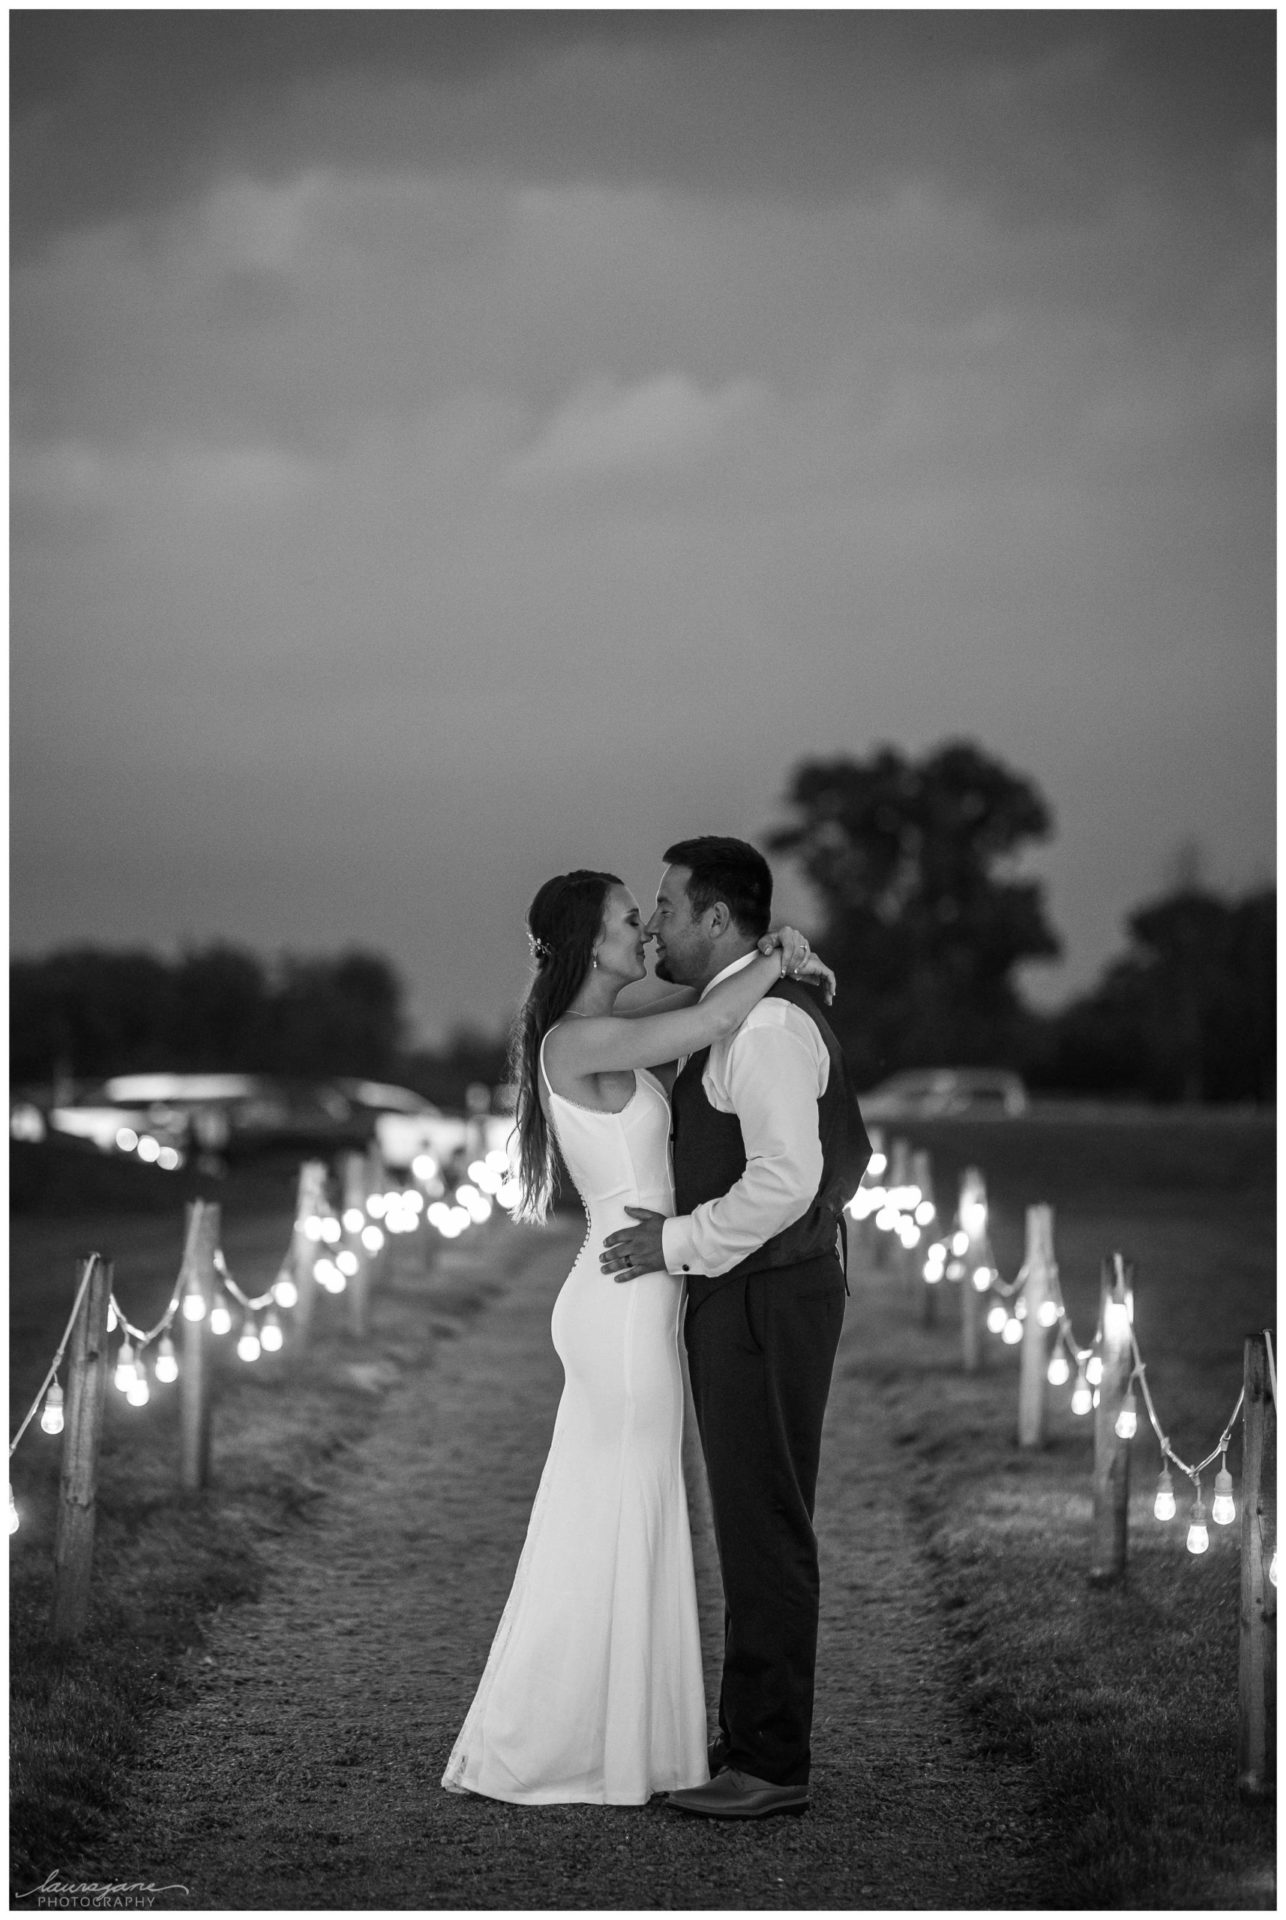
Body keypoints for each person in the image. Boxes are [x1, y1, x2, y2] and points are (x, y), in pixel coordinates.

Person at [441, 867, 836, 1807]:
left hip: (646, 1291)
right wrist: (777, 952)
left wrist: (775, 954)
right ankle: (575, 1742)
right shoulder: (579, 1038)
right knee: (616, 1513)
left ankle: (639, 1740)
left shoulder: (616, 1010)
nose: (647, 933)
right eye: (631, 920)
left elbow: (709, 989)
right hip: (621, 1302)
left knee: (636, 1508)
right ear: (587, 940)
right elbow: (710, 1018)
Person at [600, 837, 870, 1819]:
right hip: (756, 1289)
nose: (655, 923)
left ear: (717, 919)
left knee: (761, 1521)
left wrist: (670, 1244)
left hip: (766, 1291)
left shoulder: (763, 1030)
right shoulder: (735, 1011)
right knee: (751, 1511)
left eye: (668, 906)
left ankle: (766, 1763)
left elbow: (785, 1180)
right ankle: (748, 1735)